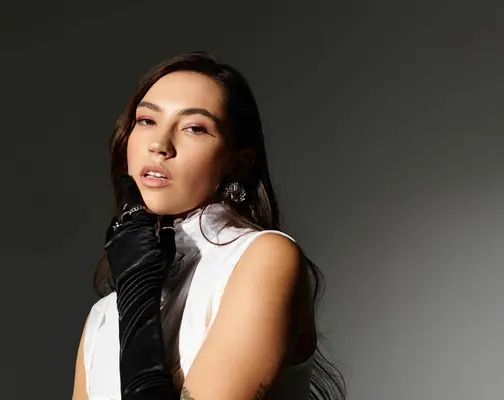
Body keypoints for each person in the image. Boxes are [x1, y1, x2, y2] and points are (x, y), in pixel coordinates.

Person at [72, 51, 346, 400]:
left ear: (237, 163)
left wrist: (138, 295)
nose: (159, 145)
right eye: (146, 121)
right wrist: (134, 293)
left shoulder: (263, 258)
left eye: (194, 128)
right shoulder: (103, 318)